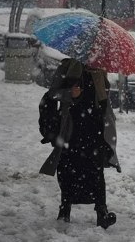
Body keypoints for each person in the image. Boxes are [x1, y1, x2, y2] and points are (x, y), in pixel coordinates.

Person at [39, 58, 121, 229]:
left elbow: (104, 100)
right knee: (68, 169)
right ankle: (65, 209)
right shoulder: (68, 67)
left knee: (96, 171)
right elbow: (52, 94)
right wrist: (69, 93)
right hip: (71, 129)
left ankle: (102, 212)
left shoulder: (99, 70)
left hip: (94, 130)